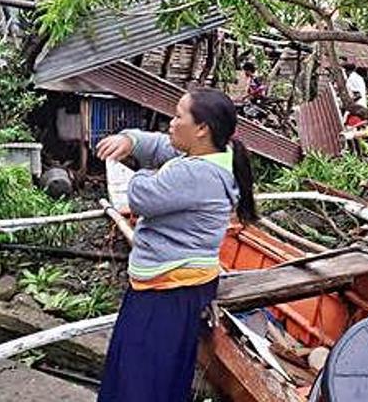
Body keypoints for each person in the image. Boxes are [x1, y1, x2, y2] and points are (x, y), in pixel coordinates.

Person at [95, 88, 256, 402]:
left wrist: (145, 173)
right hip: (172, 285)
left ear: (201, 129)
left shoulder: (198, 174)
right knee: (155, 372)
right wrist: (131, 140)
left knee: (142, 380)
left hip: (170, 292)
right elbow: (159, 145)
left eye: (178, 115)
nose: (171, 122)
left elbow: (139, 194)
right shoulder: (209, 155)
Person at [343, 58, 367, 128]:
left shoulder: (352, 79)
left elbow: (358, 95)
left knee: (351, 128)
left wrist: (347, 103)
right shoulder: (357, 77)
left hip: (356, 108)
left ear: (346, 71)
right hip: (359, 108)